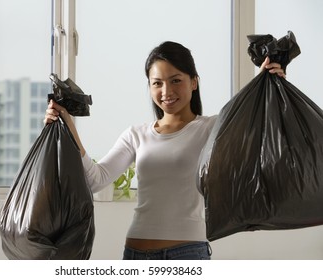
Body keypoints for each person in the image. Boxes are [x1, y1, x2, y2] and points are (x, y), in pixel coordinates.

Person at [44, 41, 285, 260]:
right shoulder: (135, 134)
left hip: (187, 254)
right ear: (149, 87)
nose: (166, 91)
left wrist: (272, 83)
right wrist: (66, 123)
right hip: (135, 253)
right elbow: (95, 180)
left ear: (194, 82)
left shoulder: (212, 127)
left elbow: (261, 130)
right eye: (157, 83)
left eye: (176, 80)